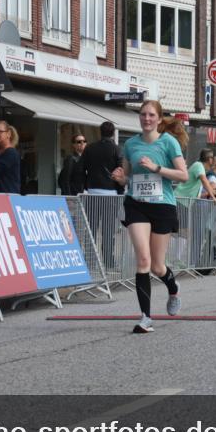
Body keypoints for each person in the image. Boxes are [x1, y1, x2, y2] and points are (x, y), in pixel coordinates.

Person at [110, 100, 189, 334]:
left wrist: (156, 168)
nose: (146, 118)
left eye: (151, 115)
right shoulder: (131, 144)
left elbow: (183, 175)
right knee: (143, 261)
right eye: (143, 114)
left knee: (157, 266)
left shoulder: (168, 142)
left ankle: (173, 289)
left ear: (158, 118)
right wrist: (120, 178)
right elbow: (127, 176)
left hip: (162, 205)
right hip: (137, 205)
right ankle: (146, 317)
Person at [80, 121, 124, 268]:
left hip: (92, 192)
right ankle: (109, 262)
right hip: (111, 194)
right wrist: (120, 190)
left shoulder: (90, 148)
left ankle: (90, 260)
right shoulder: (116, 149)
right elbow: (121, 170)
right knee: (108, 229)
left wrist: (85, 186)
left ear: (100, 132)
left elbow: (81, 169)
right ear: (112, 133)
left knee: (91, 228)